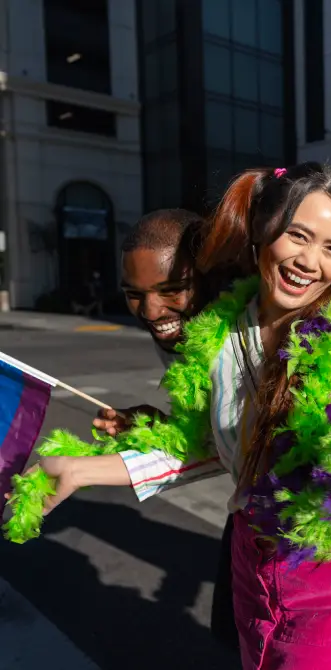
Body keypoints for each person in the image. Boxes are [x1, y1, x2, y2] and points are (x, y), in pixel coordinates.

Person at [13, 162, 331, 669]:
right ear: (262, 237)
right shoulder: (220, 335)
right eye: (298, 236)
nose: (310, 261)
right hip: (250, 560)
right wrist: (77, 470)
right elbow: (208, 448)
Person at [95, 208, 240, 652]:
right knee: (235, 635)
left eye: (171, 290)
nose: (151, 311)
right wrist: (156, 424)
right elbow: (211, 431)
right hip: (252, 511)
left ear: (209, 276)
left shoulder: (246, 331)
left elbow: (232, 445)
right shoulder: (179, 329)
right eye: (133, 295)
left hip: (308, 528)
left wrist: (86, 471)